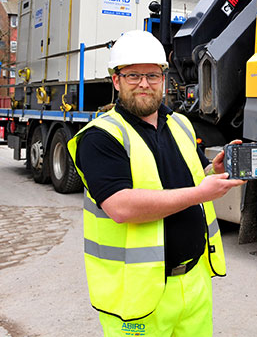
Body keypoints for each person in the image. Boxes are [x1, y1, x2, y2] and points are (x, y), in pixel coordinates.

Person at [67, 30, 245, 336]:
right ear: (116, 80)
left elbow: (184, 179)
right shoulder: (101, 137)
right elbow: (120, 207)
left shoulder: (180, 124)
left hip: (194, 284)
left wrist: (210, 173)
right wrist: (199, 194)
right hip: (139, 296)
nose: (144, 84)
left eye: (152, 75)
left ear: (164, 79)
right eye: (133, 75)